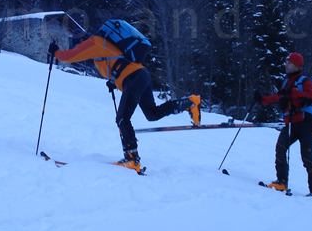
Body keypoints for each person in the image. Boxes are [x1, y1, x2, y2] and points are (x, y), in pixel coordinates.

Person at [48, 30, 200, 173]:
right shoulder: (100, 47)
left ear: (81, 40)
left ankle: (132, 159)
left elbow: (68, 57)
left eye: (78, 44)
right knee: (152, 114)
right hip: (140, 76)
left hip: (135, 77)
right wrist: (114, 81)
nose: (79, 48)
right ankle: (190, 102)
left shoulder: (94, 42)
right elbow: (118, 62)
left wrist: (55, 51)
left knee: (122, 118)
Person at [254, 52, 312, 197]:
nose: (286, 65)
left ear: (297, 65)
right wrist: (262, 100)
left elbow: (311, 97)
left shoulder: (305, 81)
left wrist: (293, 92)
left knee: (307, 156)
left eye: (289, 63)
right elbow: (277, 97)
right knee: (280, 149)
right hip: (291, 123)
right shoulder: (286, 82)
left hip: (305, 123)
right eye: (286, 62)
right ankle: (281, 182)